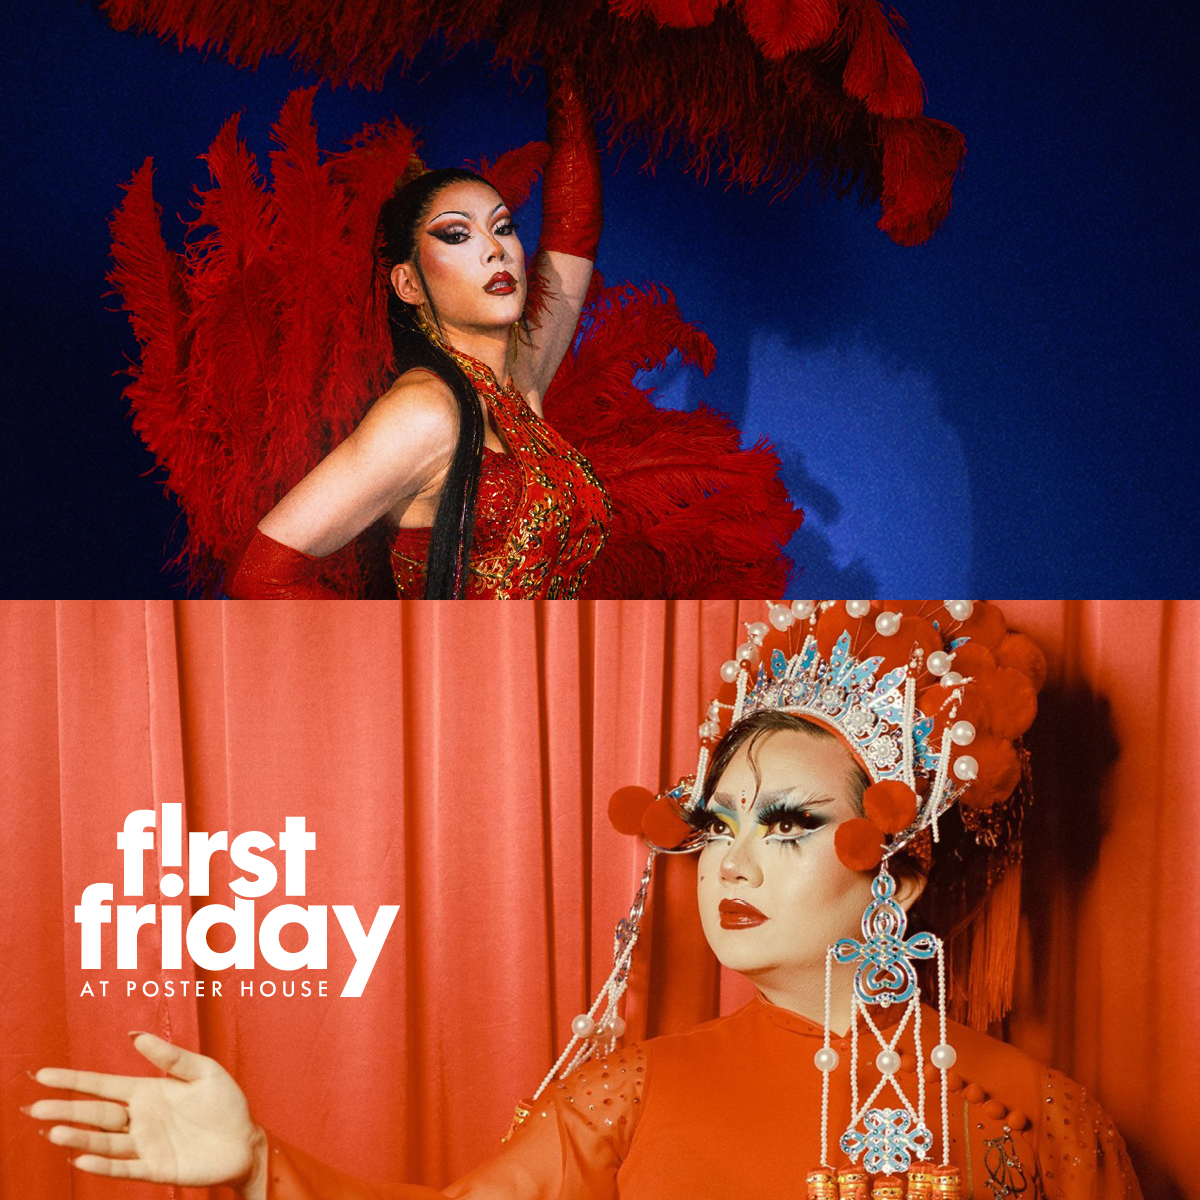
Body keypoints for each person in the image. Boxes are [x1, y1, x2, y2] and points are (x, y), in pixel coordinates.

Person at [25, 601, 1142, 1197]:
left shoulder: (1050, 1122)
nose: (732, 866)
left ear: (897, 867)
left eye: (789, 825)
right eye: (714, 829)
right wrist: (265, 1165)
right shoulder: (637, 1097)